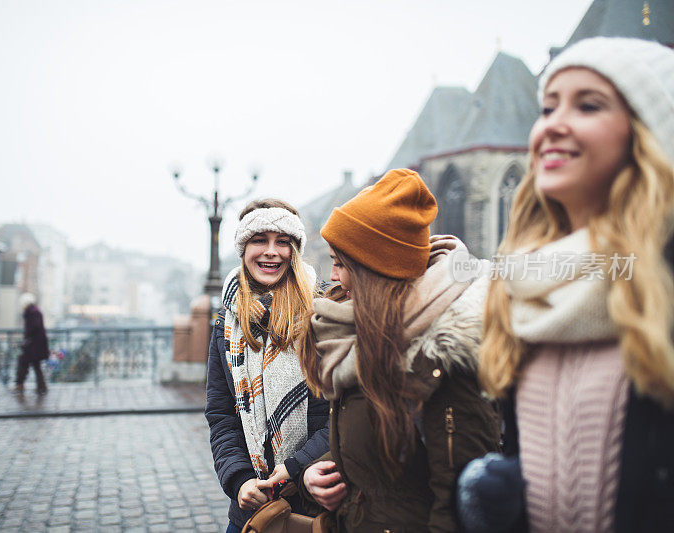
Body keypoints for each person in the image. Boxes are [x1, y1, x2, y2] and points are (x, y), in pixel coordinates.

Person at [457, 37, 674, 533]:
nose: (552, 123)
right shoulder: (526, 294)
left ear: (650, 131)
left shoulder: (663, 280)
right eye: (548, 106)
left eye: (589, 105)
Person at [297, 168, 500, 532]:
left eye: (343, 264)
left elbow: (457, 503)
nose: (335, 277)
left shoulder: (444, 356)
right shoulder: (366, 333)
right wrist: (321, 472)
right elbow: (382, 450)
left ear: (376, 271)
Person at [205, 199, 330, 533]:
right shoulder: (226, 322)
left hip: (313, 498)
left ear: (296, 250)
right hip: (252, 509)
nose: (271, 251)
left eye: (283, 242)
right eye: (259, 240)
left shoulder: (323, 312)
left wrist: (295, 466)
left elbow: (343, 413)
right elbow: (221, 414)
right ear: (243, 247)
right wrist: (239, 480)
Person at [14, 292, 49, 394]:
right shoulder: (35, 311)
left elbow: (33, 328)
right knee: (35, 365)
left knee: (24, 363)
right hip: (36, 345)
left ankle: (20, 384)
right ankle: (41, 386)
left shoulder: (32, 312)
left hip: (33, 345)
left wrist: (27, 338)